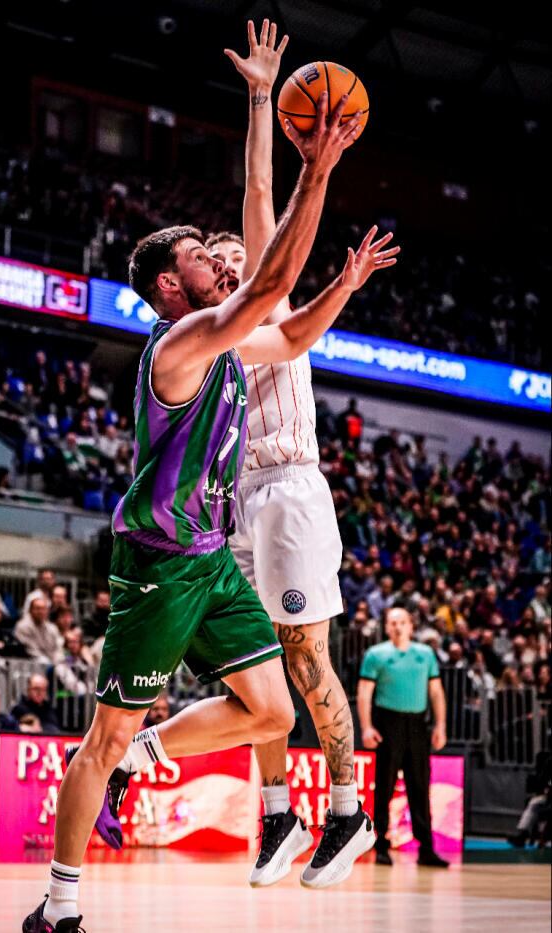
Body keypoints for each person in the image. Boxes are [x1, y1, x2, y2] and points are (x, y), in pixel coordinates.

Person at [23, 24, 387, 929]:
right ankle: (59, 905)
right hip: (158, 560)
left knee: (270, 710)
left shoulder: (232, 335)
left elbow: (293, 330)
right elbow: (268, 289)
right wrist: (321, 164)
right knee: (99, 740)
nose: (212, 256)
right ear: (173, 289)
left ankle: (170, 751)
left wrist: (271, 113)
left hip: (214, 547)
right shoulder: (183, 342)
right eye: (197, 256)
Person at [206, 21, 395, 887]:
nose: (227, 256)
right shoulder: (207, 338)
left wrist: (259, 96)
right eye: (213, 257)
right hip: (245, 497)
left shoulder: (269, 304)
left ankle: (349, 811)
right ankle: (280, 814)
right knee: (257, 667)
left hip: (292, 487)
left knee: (306, 654)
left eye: (237, 252)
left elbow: (259, 186)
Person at [357, 605, 449, 867]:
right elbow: (364, 693)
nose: (397, 626)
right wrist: (366, 727)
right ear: (386, 627)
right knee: (384, 786)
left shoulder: (425, 654)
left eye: (402, 622)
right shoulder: (376, 655)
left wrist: (440, 725)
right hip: (388, 723)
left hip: (418, 724)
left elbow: (436, 692)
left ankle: (427, 848)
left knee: (419, 786)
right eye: (392, 622)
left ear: (411, 625)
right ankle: (382, 844)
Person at [15, 596, 64, 663]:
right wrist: (50, 663)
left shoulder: (52, 627)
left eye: (44, 609)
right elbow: (31, 650)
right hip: (32, 662)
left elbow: (58, 647)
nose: (41, 612)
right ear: (30, 610)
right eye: (38, 608)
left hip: (52, 661)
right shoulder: (23, 626)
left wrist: (57, 660)